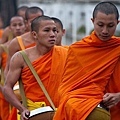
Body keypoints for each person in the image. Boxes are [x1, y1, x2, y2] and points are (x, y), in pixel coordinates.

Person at [53, 2, 120, 120]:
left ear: (117, 23)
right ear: (92, 21)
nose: (105, 31)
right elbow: (67, 88)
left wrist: (119, 96)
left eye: (110, 26)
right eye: (100, 25)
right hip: (89, 111)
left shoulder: (118, 47)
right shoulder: (78, 49)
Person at [3, 15, 68, 120]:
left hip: (61, 111)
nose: (52, 34)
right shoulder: (22, 57)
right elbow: (7, 87)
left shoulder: (66, 54)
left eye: (55, 30)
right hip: (34, 112)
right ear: (34, 34)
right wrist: (22, 108)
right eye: (47, 30)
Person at [4, 6, 44, 76]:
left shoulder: (50, 40)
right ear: (26, 23)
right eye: (32, 21)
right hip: (26, 85)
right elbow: (8, 68)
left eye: (40, 20)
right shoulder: (17, 42)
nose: (37, 24)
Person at [0, 15, 26, 120]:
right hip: (6, 87)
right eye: (14, 25)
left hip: (25, 89)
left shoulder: (32, 47)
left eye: (20, 24)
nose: (18, 28)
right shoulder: (3, 48)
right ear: (10, 28)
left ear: (25, 26)